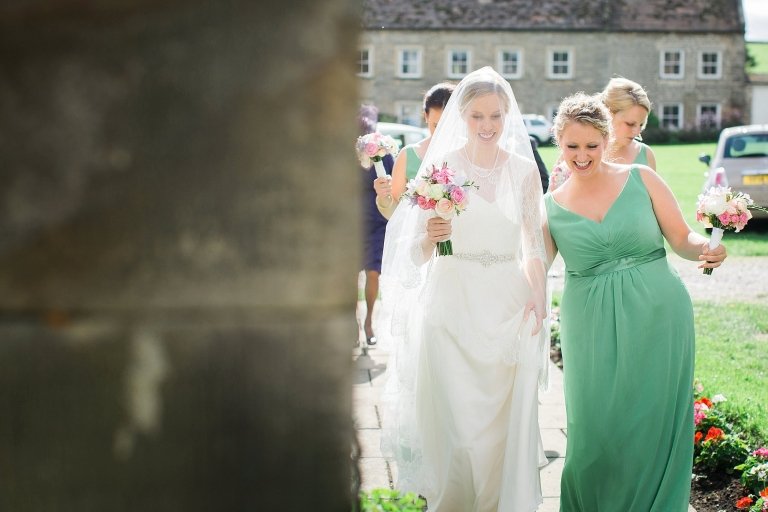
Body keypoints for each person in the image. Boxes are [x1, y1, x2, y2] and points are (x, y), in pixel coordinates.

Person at [542, 92, 727, 511]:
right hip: (588, 324)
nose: (582, 155)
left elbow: (682, 238)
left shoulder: (643, 179)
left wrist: (707, 249)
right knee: (594, 430)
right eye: (572, 146)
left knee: (652, 421)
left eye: (591, 145)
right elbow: (533, 268)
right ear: (559, 143)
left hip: (659, 314)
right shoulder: (549, 208)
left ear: (606, 140)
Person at [378, 67, 550, 511]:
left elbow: (533, 244)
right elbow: (414, 252)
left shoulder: (523, 172)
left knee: (499, 430)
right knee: (462, 432)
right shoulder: (441, 167)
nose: (488, 125)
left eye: (495, 115)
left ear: (508, 115)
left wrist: (538, 295)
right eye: (477, 116)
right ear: (462, 116)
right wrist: (431, 236)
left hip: (507, 308)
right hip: (452, 305)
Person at [549, 77, 656, 191]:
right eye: (630, 124)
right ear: (608, 114)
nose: (636, 131)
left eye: (641, 124)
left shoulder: (646, 155)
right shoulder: (576, 157)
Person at [373, 82, 455, 219]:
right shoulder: (408, 155)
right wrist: (383, 196)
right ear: (426, 116)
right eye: (436, 125)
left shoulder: (470, 152)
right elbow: (395, 213)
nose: (442, 132)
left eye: (447, 126)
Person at [358, 104, 395, 346]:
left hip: (378, 221)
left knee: (374, 273)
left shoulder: (385, 155)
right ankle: (353, 322)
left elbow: (393, 187)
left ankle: (369, 321)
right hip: (351, 223)